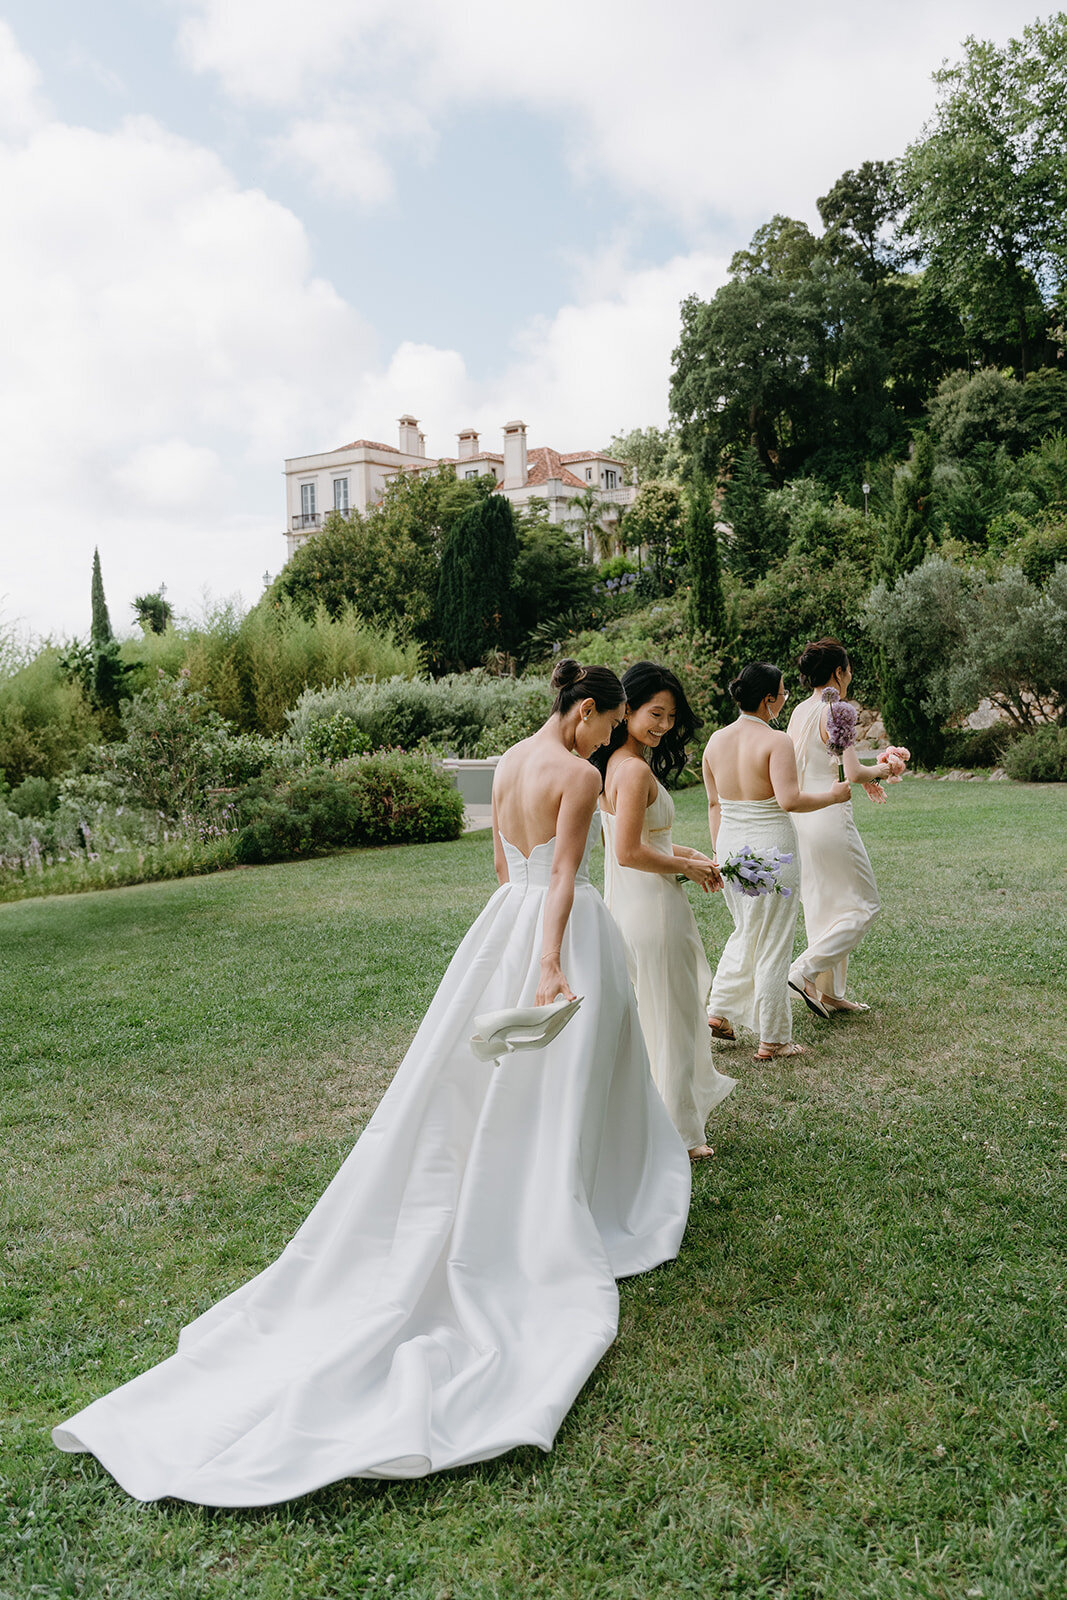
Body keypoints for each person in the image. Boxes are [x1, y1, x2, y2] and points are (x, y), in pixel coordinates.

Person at [53, 659, 691, 1507]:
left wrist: (514, 942)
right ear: (583, 714)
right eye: (610, 725)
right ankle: (565, 1203)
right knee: (565, 1081)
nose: (612, 740)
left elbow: (509, 874)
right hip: (550, 939)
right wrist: (546, 966)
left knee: (490, 1085)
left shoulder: (505, 761)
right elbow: (566, 878)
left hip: (498, 927)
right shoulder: (576, 774)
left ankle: (532, 1184)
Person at [596, 661, 737, 1161]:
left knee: (658, 1016)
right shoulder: (632, 771)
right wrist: (687, 869)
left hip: (634, 906)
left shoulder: (617, 765)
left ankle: (660, 1121)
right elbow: (629, 851)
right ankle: (679, 1133)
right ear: (627, 708)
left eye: (671, 717)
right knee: (672, 1018)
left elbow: (650, 839)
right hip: (653, 909)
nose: (663, 725)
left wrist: (694, 857)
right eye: (655, 713)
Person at [702, 662, 851, 1061]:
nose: (786, 698)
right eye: (783, 692)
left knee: (745, 930)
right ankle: (774, 1038)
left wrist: (719, 852)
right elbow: (790, 800)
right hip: (771, 848)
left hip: (731, 846)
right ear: (768, 700)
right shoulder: (775, 740)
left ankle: (718, 1012)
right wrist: (835, 796)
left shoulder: (714, 741)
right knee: (773, 942)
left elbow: (715, 803)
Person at [786, 638, 898, 1016]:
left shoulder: (800, 711)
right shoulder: (838, 708)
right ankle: (803, 971)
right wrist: (884, 768)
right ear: (838, 672)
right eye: (848, 669)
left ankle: (830, 993)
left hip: (801, 818)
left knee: (824, 906)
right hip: (831, 817)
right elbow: (851, 771)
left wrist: (866, 775)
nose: (850, 676)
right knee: (865, 904)